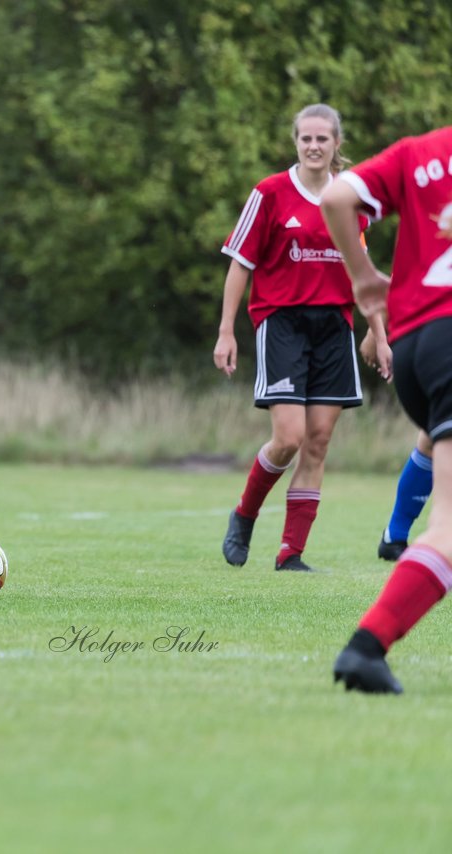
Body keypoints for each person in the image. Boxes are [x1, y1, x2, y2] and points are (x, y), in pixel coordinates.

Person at [213, 103, 375, 572]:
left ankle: (291, 553)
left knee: (318, 440)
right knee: (288, 437)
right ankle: (244, 515)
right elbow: (240, 263)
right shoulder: (270, 193)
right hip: (281, 323)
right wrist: (227, 331)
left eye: (323, 138)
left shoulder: (350, 199)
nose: (314, 146)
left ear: (336, 144)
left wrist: (377, 333)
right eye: (306, 138)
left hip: (334, 327)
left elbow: (361, 271)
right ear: (296, 141)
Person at [321, 125, 452, 694]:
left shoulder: (419, 151)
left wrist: (363, 279)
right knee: (449, 526)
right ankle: (366, 647)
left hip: (415, 346)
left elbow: (335, 198)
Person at [359, 327, 434, 561]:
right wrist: (375, 333)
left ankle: (395, 535)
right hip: (434, 332)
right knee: (435, 435)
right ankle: (396, 534)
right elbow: (390, 288)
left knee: (434, 436)